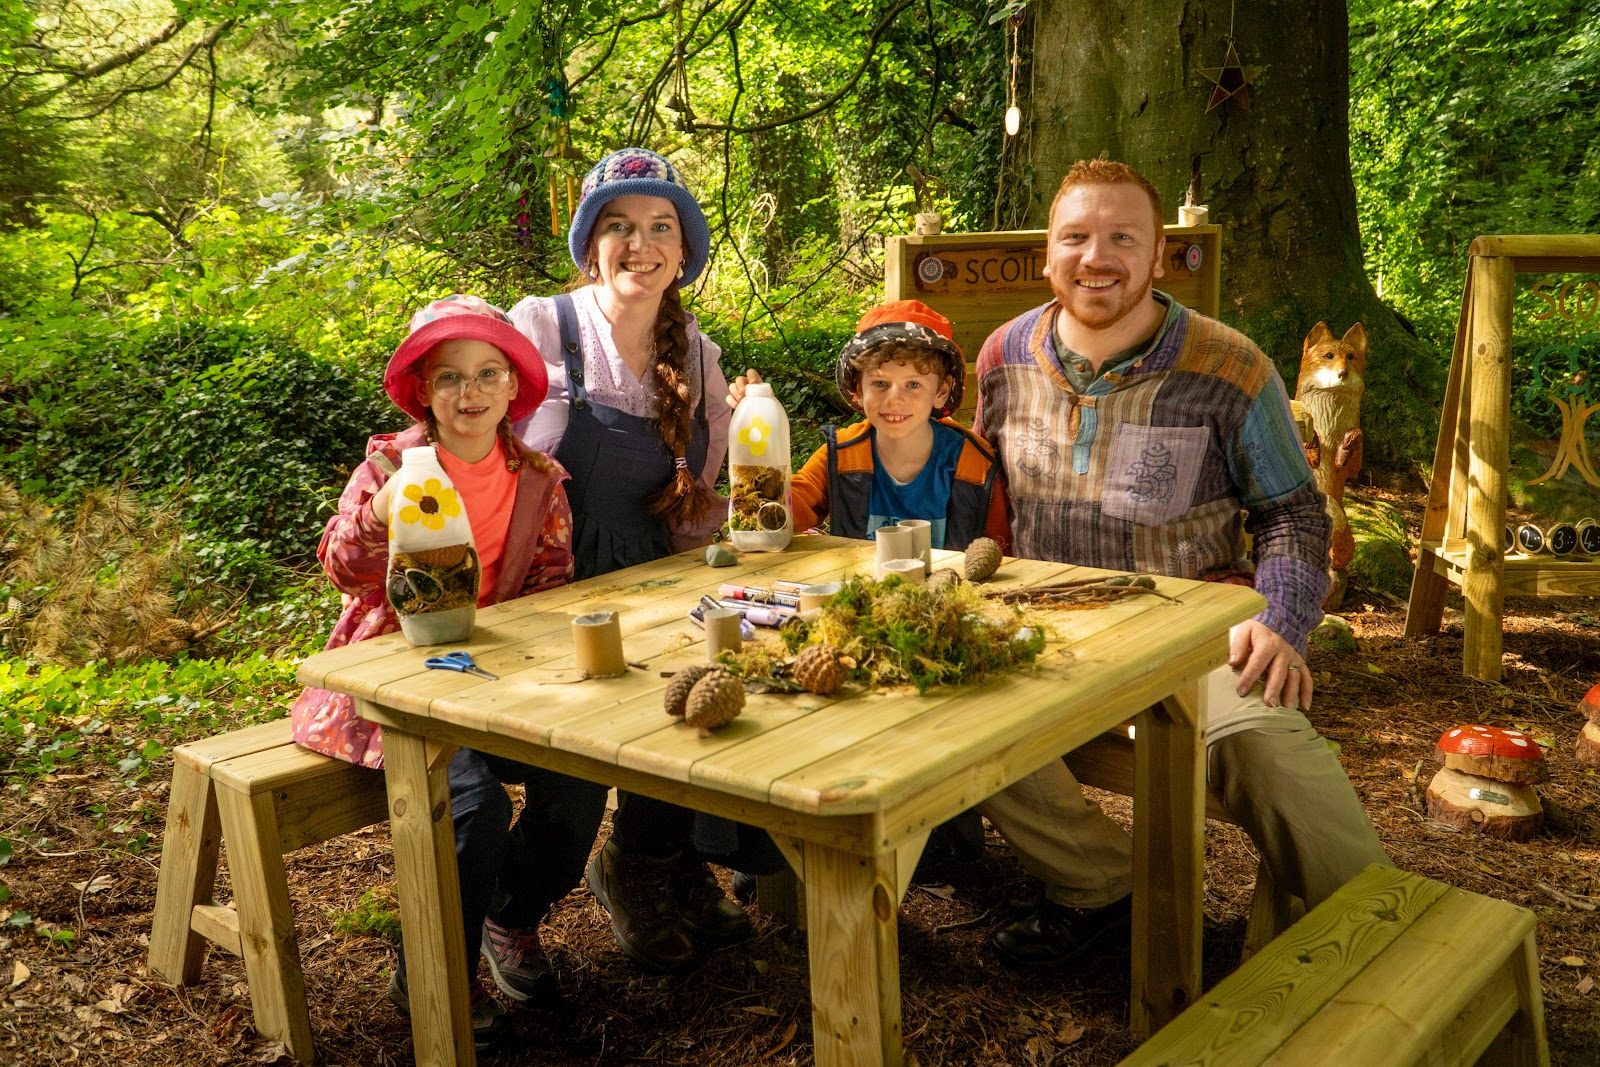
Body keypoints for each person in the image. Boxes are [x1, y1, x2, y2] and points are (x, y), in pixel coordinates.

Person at [970, 158, 1390, 967]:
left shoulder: (1229, 366)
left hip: (1191, 632)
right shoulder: (1001, 359)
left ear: (1160, 255)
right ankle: (1105, 889)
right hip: (1041, 635)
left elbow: (1293, 511)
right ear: (1047, 256)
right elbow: (970, 490)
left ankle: (1395, 938)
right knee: (947, 722)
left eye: (1123, 237)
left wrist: (1281, 622)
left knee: (1263, 740)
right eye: (1077, 237)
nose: (1098, 256)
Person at [291, 294, 610, 1045]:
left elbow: (549, 585)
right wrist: (379, 514)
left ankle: (508, 914)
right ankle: (432, 960)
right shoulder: (391, 465)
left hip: (495, 676)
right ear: (422, 391)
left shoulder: (538, 475)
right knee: (473, 807)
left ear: (513, 388)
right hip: (394, 680)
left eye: (487, 374)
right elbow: (340, 565)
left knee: (579, 780)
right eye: (449, 378)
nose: (469, 395)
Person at [510, 147, 781, 975]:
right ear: (590, 245)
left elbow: (698, 496)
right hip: (550, 585)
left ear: (683, 251)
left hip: (654, 575)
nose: (641, 243)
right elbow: (496, 461)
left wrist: (724, 579)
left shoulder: (696, 351)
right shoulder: (544, 325)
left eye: (661, 226)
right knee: (578, 773)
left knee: (700, 700)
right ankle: (509, 911)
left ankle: (648, 862)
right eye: (619, 226)